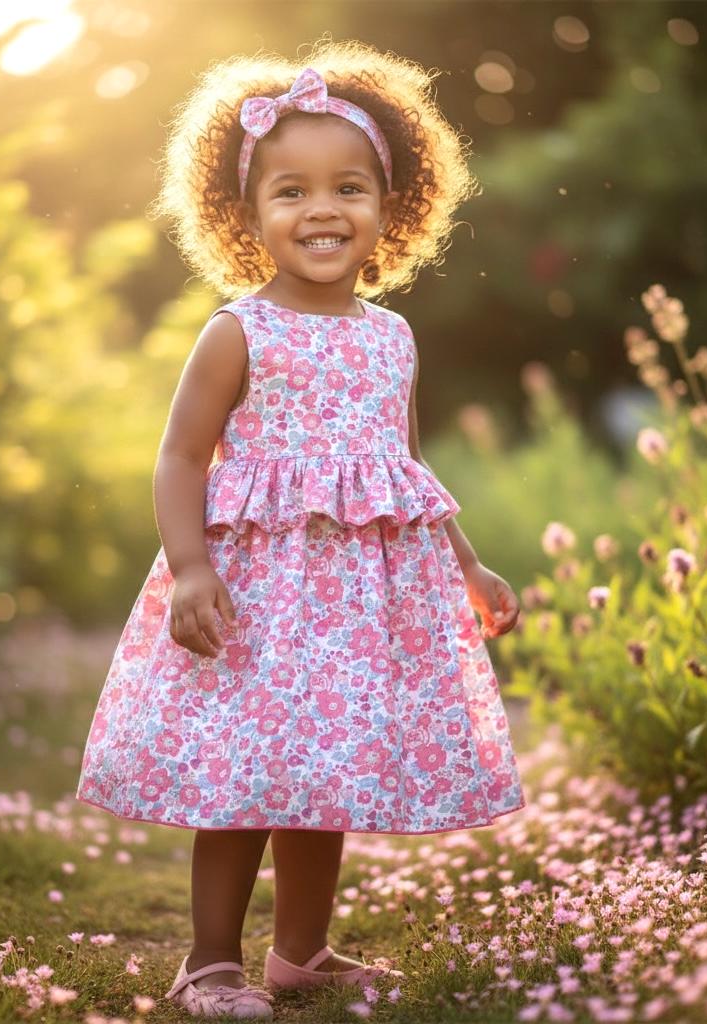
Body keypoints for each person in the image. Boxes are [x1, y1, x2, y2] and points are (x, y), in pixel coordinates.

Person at [76, 38, 527, 1020]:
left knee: (322, 776)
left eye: (348, 187)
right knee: (246, 778)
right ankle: (207, 962)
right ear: (247, 215)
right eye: (290, 191)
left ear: (389, 206)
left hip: (355, 605)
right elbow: (181, 458)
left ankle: (300, 954)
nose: (322, 209)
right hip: (255, 598)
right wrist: (190, 569)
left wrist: (468, 564)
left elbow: (403, 474)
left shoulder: (392, 338)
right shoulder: (238, 329)